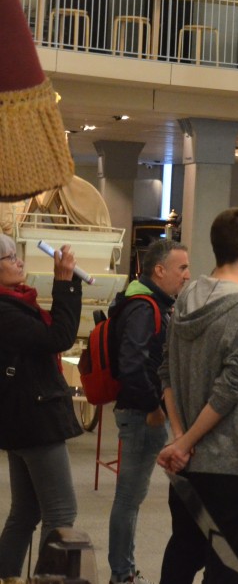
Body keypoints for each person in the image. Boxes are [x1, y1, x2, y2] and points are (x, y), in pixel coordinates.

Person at [157, 208, 238, 584]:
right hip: (230, 466)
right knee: (226, 567)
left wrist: (179, 439)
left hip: (188, 465)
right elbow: (230, 391)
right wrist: (185, 442)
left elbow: (167, 371)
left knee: (183, 553)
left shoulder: (186, 297)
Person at [108, 238, 191, 584]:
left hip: (142, 412)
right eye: (181, 268)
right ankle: (122, 574)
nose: (187, 276)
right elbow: (133, 365)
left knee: (132, 495)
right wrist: (153, 407)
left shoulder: (143, 302)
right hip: (143, 415)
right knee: (129, 496)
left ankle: (123, 570)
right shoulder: (145, 308)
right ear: (159, 270)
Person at [0, 236, 81, 576]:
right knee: (61, 513)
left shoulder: (15, 303)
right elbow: (58, 337)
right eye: (9, 257)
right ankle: (48, 580)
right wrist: (63, 284)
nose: (19, 262)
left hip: (22, 418)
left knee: (25, 512)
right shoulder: (5, 310)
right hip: (34, 419)